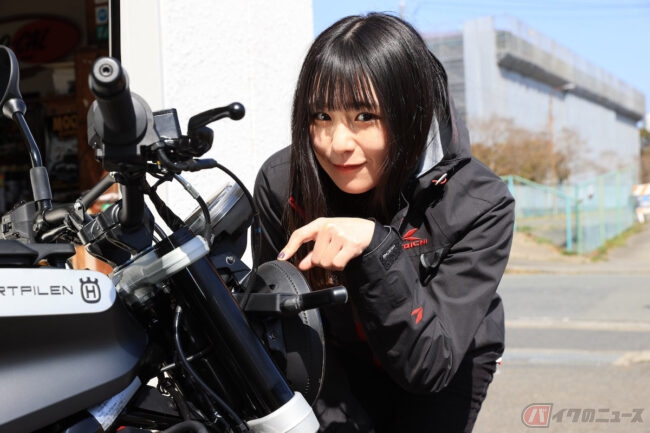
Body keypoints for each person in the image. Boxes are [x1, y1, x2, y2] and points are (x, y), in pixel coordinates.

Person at [253, 12, 515, 433]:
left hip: (444, 360)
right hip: (335, 353)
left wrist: (378, 249)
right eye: (321, 116)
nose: (337, 144)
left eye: (364, 117)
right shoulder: (283, 182)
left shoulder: (479, 202)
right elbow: (281, 324)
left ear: (410, 112)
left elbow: (429, 365)